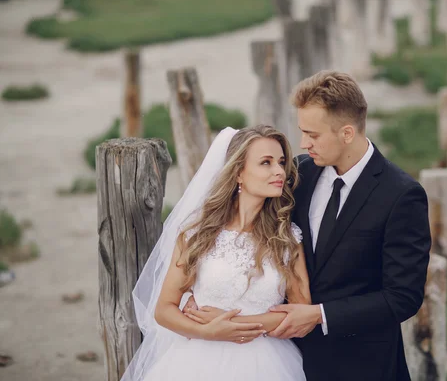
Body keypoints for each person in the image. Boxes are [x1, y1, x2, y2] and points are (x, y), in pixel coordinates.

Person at [184, 70, 432, 381]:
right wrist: (203, 290)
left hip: (362, 364)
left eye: (313, 135)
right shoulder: (298, 175)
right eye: (302, 132)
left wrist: (320, 315)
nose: (303, 143)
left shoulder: (401, 195)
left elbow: (402, 297)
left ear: (346, 133)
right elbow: (242, 229)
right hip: (285, 358)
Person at [121, 125, 310, 381]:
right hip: (195, 361)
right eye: (266, 163)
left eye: (281, 162)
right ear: (239, 173)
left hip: (266, 364)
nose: (279, 171)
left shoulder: (288, 238)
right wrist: (209, 332)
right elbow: (164, 309)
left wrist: (234, 322)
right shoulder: (198, 234)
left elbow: (301, 311)